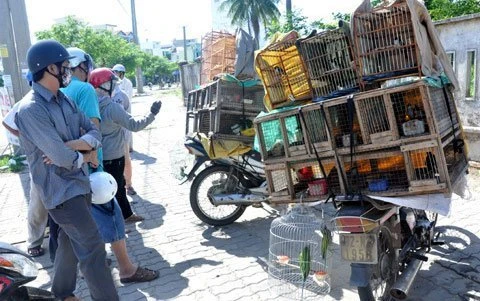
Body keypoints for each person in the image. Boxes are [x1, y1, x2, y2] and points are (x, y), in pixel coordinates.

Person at [15, 39, 118, 301]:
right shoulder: (31, 109)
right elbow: (61, 158)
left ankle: (61, 294)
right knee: (94, 249)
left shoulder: (65, 101)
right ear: (50, 68)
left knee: (67, 243)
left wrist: (78, 149)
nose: (67, 71)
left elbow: (94, 130)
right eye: (64, 66)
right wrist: (87, 153)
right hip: (60, 193)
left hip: (79, 184)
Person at [61, 47, 158, 284]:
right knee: (112, 215)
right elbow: (93, 131)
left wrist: (66, 150)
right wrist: (90, 155)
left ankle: (89, 266)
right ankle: (126, 269)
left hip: (67, 168)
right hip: (93, 166)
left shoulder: (59, 92)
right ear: (80, 66)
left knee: (79, 222)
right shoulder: (85, 90)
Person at [88, 68, 161, 223]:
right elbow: (134, 125)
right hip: (115, 155)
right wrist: (152, 114)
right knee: (117, 187)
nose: (115, 87)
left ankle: (123, 215)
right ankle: (121, 218)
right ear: (105, 85)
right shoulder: (111, 107)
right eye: (113, 84)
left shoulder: (90, 105)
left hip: (97, 155)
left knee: (108, 187)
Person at [2, 82, 48, 258]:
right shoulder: (28, 101)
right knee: (38, 203)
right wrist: (25, 136)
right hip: (39, 161)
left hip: (58, 158)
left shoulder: (57, 98)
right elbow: (7, 121)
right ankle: (34, 241)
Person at [112, 64, 135, 195]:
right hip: (108, 135)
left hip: (121, 131)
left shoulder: (124, 93)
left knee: (126, 158)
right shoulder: (101, 95)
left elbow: (127, 113)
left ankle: (129, 185)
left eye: (118, 73)